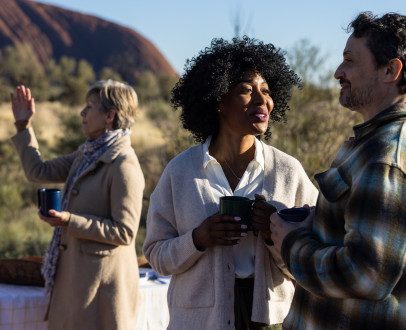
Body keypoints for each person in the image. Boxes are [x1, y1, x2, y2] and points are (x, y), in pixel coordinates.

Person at [271, 12, 406, 329]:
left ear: (390, 70)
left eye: (349, 61)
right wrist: (324, 224)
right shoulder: (387, 143)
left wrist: (291, 242)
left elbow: (365, 275)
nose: (338, 72)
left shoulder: (389, 159)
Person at [143, 36, 318, 330]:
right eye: (246, 91)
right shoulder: (181, 172)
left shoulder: (288, 171)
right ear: (218, 100)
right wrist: (197, 239)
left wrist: (275, 233)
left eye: (266, 91)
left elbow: (314, 258)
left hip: (272, 320)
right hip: (199, 321)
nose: (262, 101)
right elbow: (157, 256)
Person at [10, 80, 145, 330]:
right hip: (76, 286)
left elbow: (125, 232)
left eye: (89, 107)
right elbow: (38, 171)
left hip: (100, 294)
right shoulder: (86, 154)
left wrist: (69, 220)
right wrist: (23, 124)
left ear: (109, 116)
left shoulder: (124, 165)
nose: (82, 113)